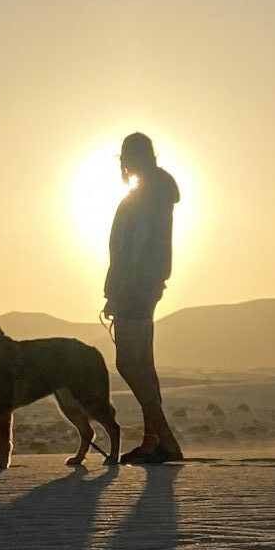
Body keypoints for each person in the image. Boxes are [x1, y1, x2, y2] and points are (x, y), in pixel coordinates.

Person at [104, 131, 184, 464]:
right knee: (144, 365)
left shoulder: (147, 195)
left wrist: (120, 288)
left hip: (136, 287)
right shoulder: (153, 191)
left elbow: (134, 248)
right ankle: (153, 441)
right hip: (144, 284)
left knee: (128, 363)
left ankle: (164, 439)